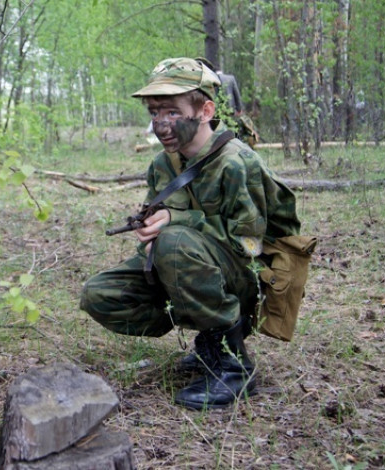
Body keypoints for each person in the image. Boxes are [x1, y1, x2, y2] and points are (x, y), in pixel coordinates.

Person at [80, 57, 301, 410]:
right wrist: (152, 236)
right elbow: (169, 233)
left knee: (175, 241)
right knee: (100, 293)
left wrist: (178, 224)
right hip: (195, 267)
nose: (160, 124)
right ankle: (207, 340)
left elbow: (251, 244)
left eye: (171, 112)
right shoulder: (163, 165)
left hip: (251, 280)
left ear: (205, 110)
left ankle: (232, 363)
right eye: (154, 112)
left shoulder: (235, 163)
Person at [215, 70, 260, 148]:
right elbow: (237, 95)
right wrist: (239, 109)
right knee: (233, 131)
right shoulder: (231, 79)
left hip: (217, 112)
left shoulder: (212, 79)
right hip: (230, 111)